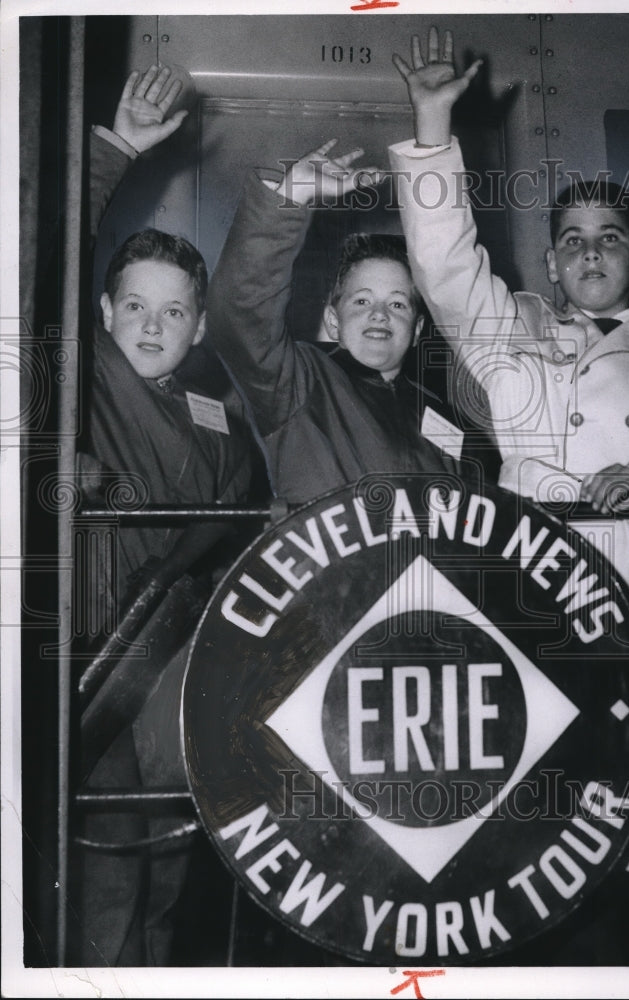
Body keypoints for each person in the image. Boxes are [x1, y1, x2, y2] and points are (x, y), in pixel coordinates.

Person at [388, 28, 629, 964]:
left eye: (607, 240)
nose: (588, 255)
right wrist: (430, 122)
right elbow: (448, 268)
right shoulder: (513, 344)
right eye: (570, 241)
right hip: (542, 612)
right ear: (552, 258)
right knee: (547, 876)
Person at [71, 65, 264, 966]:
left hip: (178, 683)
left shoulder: (221, 428)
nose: (153, 326)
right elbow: (43, 248)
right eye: (135, 307)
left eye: (174, 311)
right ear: (104, 314)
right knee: (106, 887)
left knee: (169, 881)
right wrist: (113, 153)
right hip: (93, 673)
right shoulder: (85, 379)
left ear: (195, 330)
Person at [206, 139, 474, 508]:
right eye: (361, 300)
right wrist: (294, 194)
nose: (379, 314)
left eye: (398, 303)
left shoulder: (440, 414)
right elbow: (239, 311)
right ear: (333, 320)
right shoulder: (299, 381)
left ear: (417, 330)